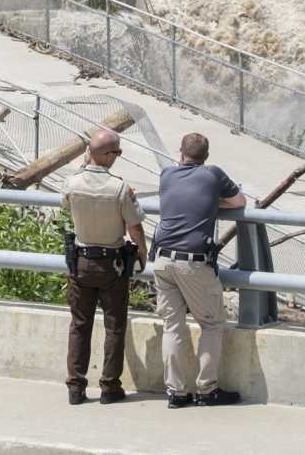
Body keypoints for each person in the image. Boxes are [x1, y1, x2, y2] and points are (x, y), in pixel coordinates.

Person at [152, 132, 246, 409]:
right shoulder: (213, 175)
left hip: (162, 261)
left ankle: (177, 392)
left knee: (173, 326)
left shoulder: (167, 175)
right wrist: (212, 203)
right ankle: (207, 390)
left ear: (180, 153)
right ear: (206, 156)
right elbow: (239, 202)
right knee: (212, 324)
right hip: (192, 263)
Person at [62, 128, 147, 405]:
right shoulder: (120, 187)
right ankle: (109, 387)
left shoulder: (72, 183)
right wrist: (142, 254)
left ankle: (76, 387)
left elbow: (65, 204)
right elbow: (135, 227)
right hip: (113, 265)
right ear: (108, 155)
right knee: (114, 327)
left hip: (81, 262)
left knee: (79, 325)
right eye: (117, 153)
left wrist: (85, 162)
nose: (118, 157)